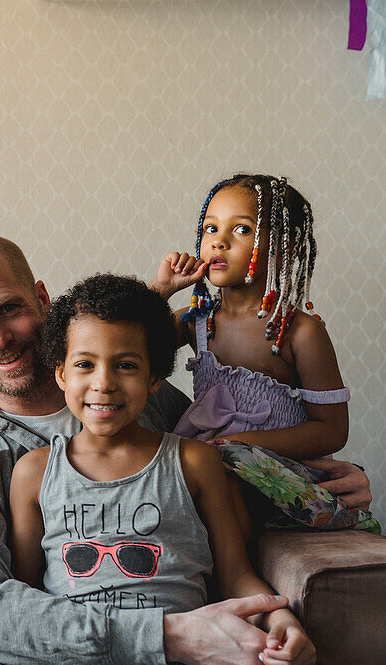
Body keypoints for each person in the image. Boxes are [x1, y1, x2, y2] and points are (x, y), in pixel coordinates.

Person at [0, 235, 371, 665]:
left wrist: (319, 489)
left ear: (42, 299)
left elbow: (227, 477)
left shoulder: (151, 408)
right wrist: (171, 636)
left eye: (8, 308)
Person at [6, 274, 342, 665]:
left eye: (126, 365)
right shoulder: (34, 473)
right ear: (60, 374)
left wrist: (281, 618)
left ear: (154, 378)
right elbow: (22, 592)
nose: (103, 382)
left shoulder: (193, 461)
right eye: (84, 364)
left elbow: (235, 573)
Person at [151, 175, 377, 533]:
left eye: (241, 230)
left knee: (212, 464)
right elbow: (124, 343)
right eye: (210, 228)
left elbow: (332, 430)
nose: (218, 242)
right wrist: (160, 290)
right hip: (212, 466)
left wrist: (237, 445)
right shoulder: (196, 320)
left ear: (281, 249)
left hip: (279, 472)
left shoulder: (300, 332)